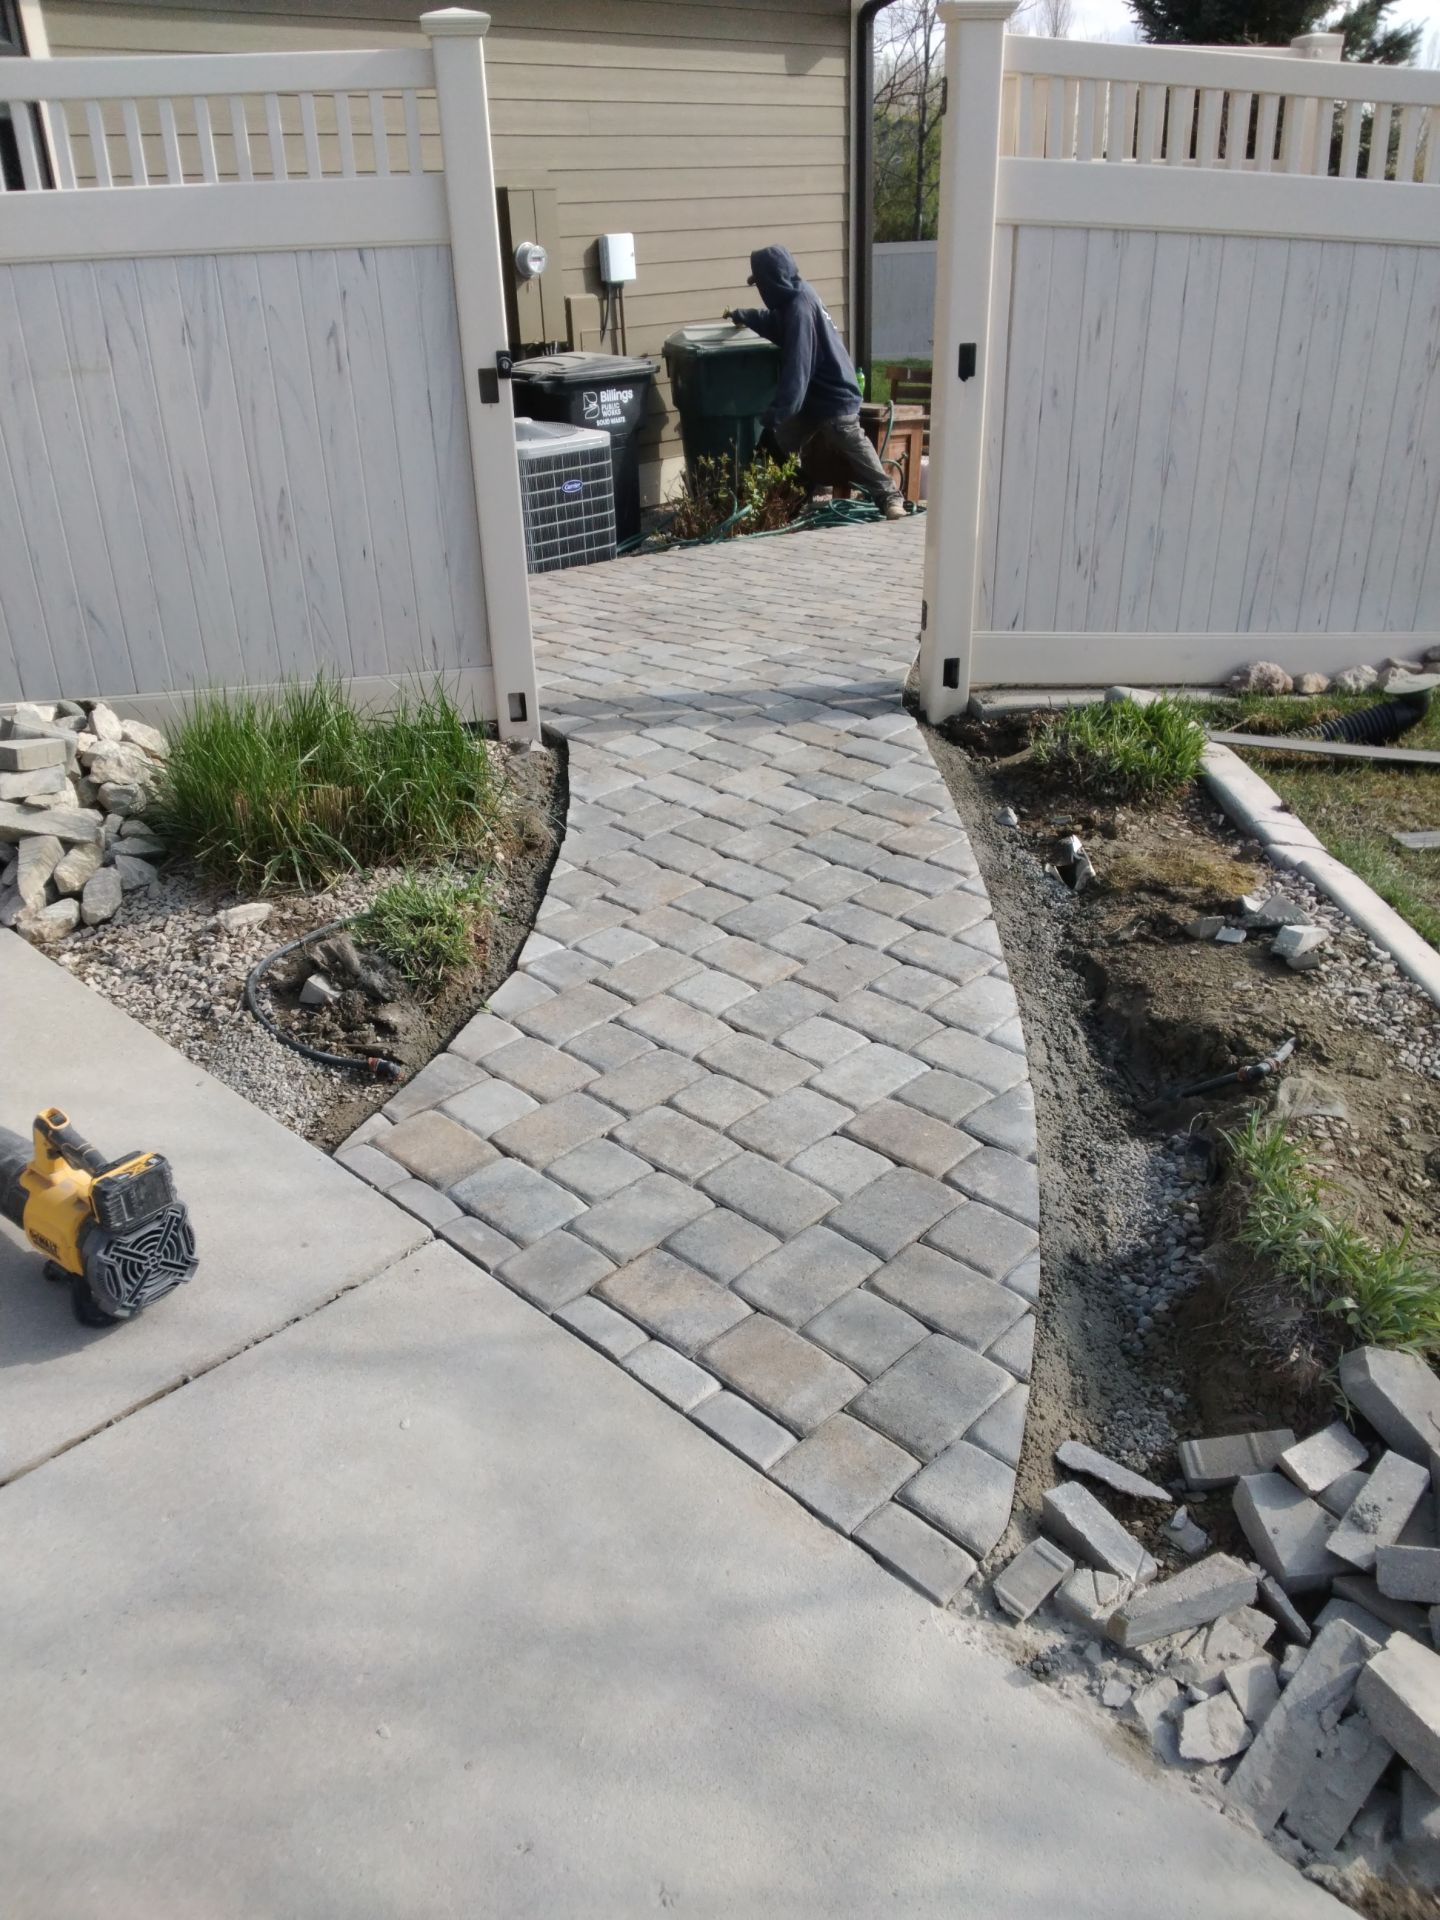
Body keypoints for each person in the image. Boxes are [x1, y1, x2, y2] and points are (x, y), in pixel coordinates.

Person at [724, 245, 907, 521]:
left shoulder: (799, 308)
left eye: (760, 284)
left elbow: (797, 369)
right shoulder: (798, 295)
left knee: (849, 440)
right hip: (813, 398)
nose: (760, 291)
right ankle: (783, 504)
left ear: (772, 282)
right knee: (774, 445)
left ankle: (891, 499)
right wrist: (743, 315)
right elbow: (774, 323)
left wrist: (778, 412)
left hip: (834, 396)